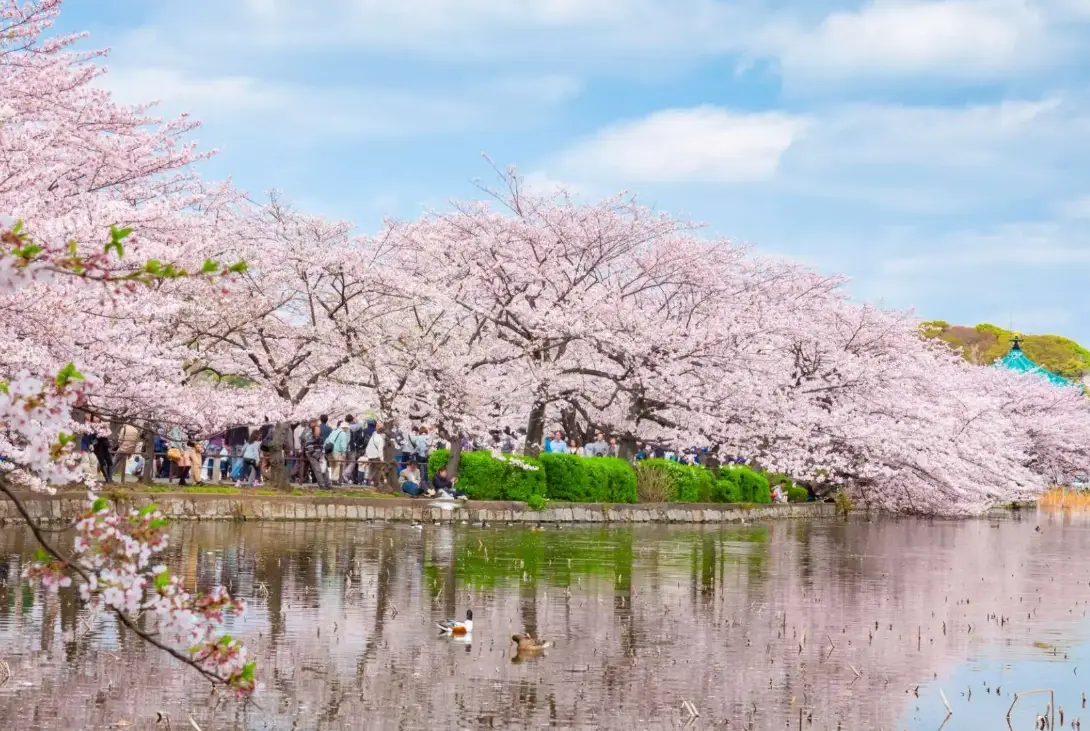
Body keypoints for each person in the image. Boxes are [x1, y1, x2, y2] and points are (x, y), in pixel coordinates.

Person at [300, 419, 331, 489]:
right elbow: (310, 449)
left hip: (320, 454)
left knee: (325, 469)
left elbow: (323, 447)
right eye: (317, 431)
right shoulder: (309, 436)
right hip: (311, 454)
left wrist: (322, 455)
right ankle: (322, 485)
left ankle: (328, 484)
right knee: (317, 469)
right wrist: (318, 457)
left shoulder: (320, 438)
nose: (319, 432)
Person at [364, 422, 386, 487]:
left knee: (371, 469)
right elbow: (380, 449)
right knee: (378, 470)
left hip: (370, 456)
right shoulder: (380, 438)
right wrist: (382, 459)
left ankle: (368, 482)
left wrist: (367, 455)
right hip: (377, 456)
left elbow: (368, 446)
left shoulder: (373, 436)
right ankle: (376, 483)